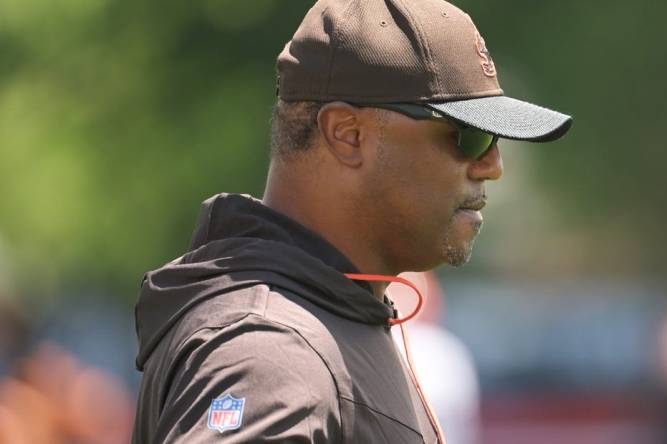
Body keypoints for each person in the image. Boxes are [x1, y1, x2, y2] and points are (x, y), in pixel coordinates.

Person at [132, 0, 571, 442]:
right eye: (469, 135)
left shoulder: (330, 316)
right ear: (348, 135)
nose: (492, 166)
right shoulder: (271, 353)